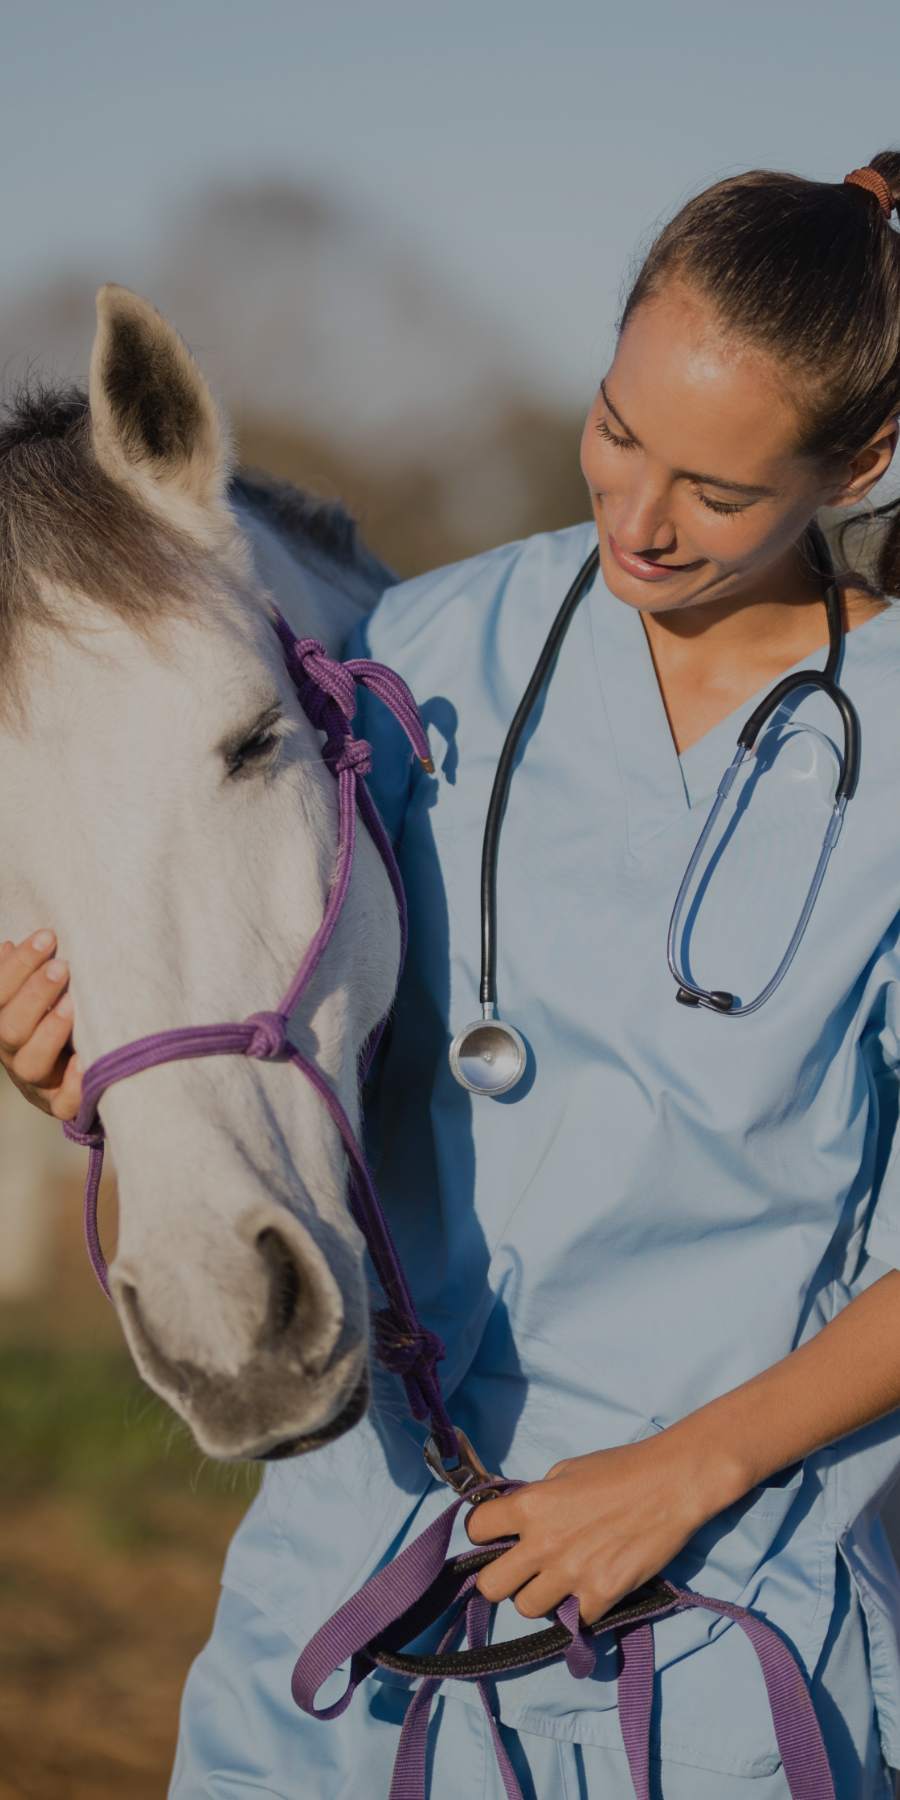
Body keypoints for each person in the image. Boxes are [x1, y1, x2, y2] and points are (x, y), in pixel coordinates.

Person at [5, 154, 900, 1797]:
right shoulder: (412, 657)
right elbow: (265, 1000)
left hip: (716, 1633)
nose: (635, 519)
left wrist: (678, 1473)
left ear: (863, 463)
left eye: (712, 489)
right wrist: (107, 1086)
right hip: (347, 1640)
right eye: (618, 431)